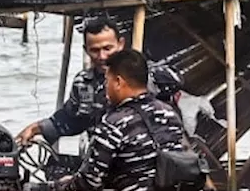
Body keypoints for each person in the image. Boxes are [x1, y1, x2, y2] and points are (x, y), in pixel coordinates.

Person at [15, 15, 183, 145]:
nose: (102, 56)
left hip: (147, 159)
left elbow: (176, 81)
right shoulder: (84, 83)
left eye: (107, 48)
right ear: (86, 50)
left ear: (120, 44)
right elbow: (69, 119)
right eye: (95, 50)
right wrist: (36, 128)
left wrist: (139, 75)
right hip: (103, 158)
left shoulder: (144, 73)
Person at [54, 49, 195, 191]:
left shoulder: (113, 123)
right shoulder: (170, 114)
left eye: (107, 80)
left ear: (118, 82)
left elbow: (89, 182)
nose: (105, 87)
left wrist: (57, 186)